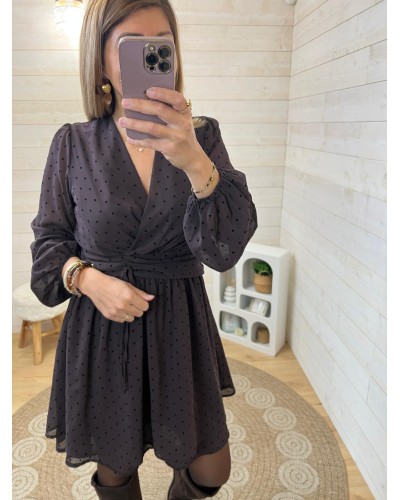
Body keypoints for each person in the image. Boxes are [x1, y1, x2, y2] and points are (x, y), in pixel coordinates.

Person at [30, 0, 257, 498]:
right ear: (101, 62)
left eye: (163, 45)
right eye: (134, 47)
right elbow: (48, 246)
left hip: (182, 327)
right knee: (116, 469)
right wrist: (88, 279)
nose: (152, 57)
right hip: (104, 330)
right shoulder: (73, 144)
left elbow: (224, 249)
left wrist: (194, 160)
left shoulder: (203, 137)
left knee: (211, 467)